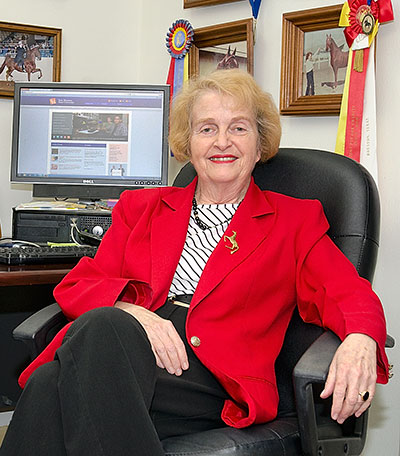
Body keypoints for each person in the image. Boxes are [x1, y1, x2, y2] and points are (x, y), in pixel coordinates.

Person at [1, 69, 389, 455]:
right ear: (188, 143)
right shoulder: (142, 208)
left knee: (63, 370)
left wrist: (360, 340)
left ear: (260, 144)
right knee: (65, 370)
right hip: (122, 350)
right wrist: (133, 314)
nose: (223, 141)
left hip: (214, 376)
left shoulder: (293, 221)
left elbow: (348, 293)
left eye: (238, 128)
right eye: (206, 129)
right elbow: (79, 285)